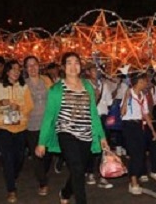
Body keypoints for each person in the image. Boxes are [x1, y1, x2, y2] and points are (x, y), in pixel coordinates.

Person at [36, 52, 109, 204]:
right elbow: (49, 117)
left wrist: (102, 137)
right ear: (63, 67)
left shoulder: (88, 86)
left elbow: (93, 113)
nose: (73, 66)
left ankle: (66, 191)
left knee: (79, 170)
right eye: (69, 63)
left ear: (80, 67)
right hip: (66, 133)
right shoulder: (56, 89)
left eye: (76, 62)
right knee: (76, 168)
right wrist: (41, 142)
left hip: (86, 134)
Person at [0, 60, 33, 203]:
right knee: (7, 158)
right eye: (13, 69)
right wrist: (1, 104)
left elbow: (30, 106)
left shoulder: (24, 88)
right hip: (3, 128)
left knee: (19, 158)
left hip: (20, 128)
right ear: (7, 71)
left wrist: (18, 107)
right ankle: (11, 190)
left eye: (18, 69)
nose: (16, 72)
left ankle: (12, 175)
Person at [120, 72, 156, 195]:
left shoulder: (142, 95)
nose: (146, 83)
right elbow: (122, 112)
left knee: (141, 154)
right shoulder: (129, 93)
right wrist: (126, 98)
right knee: (134, 154)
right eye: (144, 81)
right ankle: (133, 181)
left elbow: (145, 114)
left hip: (139, 126)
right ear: (139, 82)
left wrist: (152, 129)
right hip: (129, 126)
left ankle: (134, 177)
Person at [23, 55, 54, 196]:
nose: (32, 68)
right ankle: (43, 183)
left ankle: (43, 173)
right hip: (32, 124)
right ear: (25, 69)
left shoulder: (46, 80)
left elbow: (54, 98)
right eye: (29, 65)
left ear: (39, 66)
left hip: (48, 123)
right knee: (37, 155)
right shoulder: (23, 84)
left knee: (47, 154)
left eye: (34, 64)